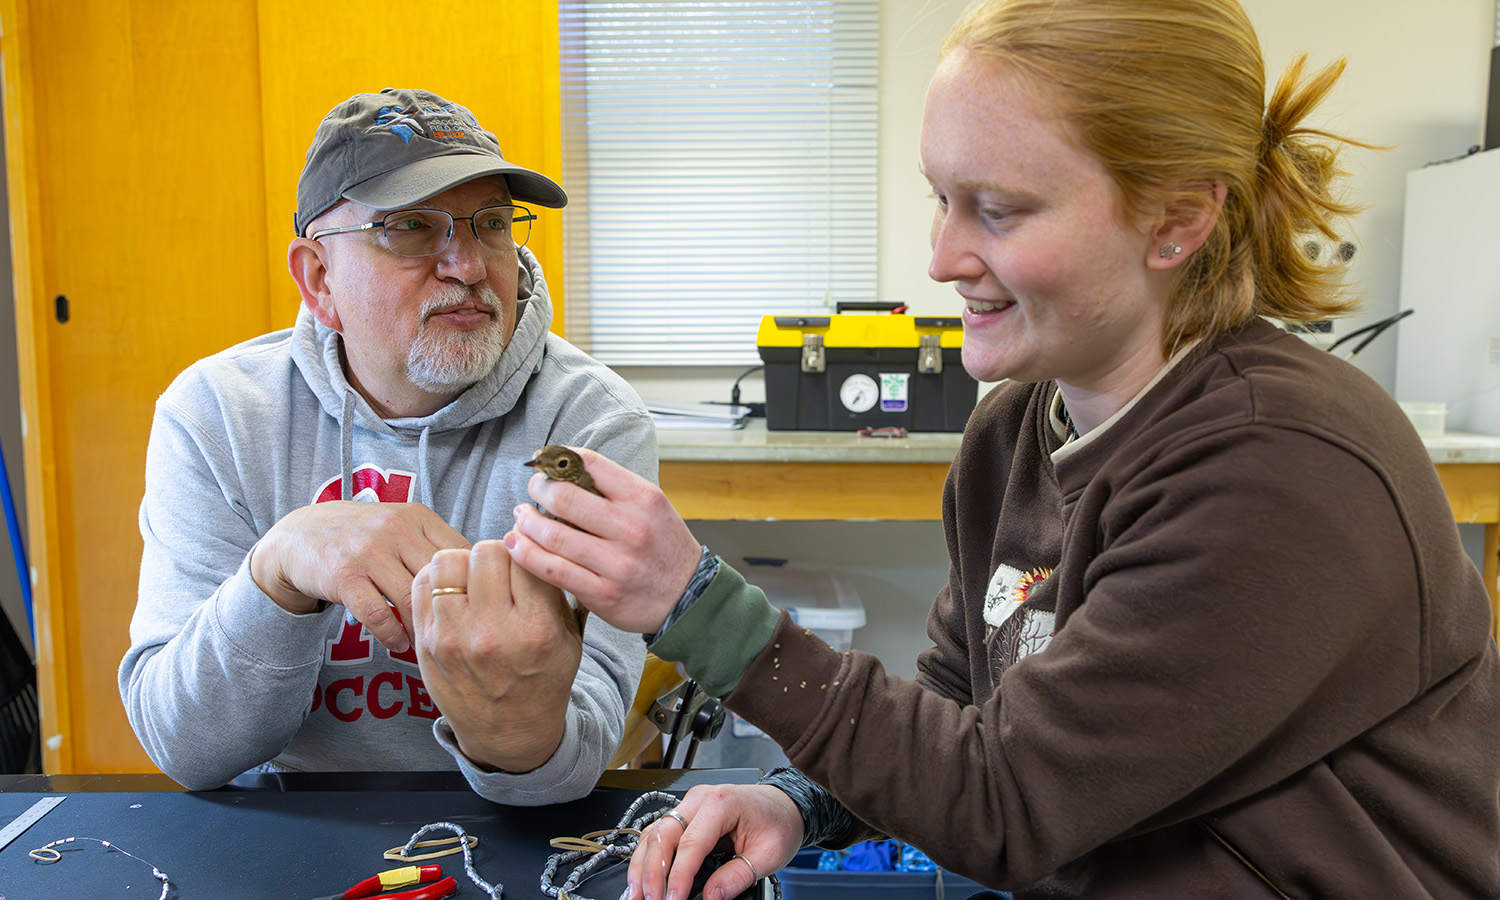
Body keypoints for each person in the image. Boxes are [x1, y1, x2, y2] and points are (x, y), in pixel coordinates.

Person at [489, 1, 1500, 896]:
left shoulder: (1277, 469)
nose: (940, 258)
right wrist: (805, 804)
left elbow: (1005, 804)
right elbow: (958, 699)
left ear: (1176, 223)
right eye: (941, 196)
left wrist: (695, 606)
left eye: (999, 210)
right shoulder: (1013, 428)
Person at [119, 88, 654, 803]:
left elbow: (574, 760)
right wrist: (276, 572)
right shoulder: (216, 414)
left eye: (490, 224)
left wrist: (515, 726)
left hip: (504, 831)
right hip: (279, 833)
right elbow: (185, 747)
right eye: (409, 227)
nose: (467, 265)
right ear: (319, 279)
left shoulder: (586, 422)